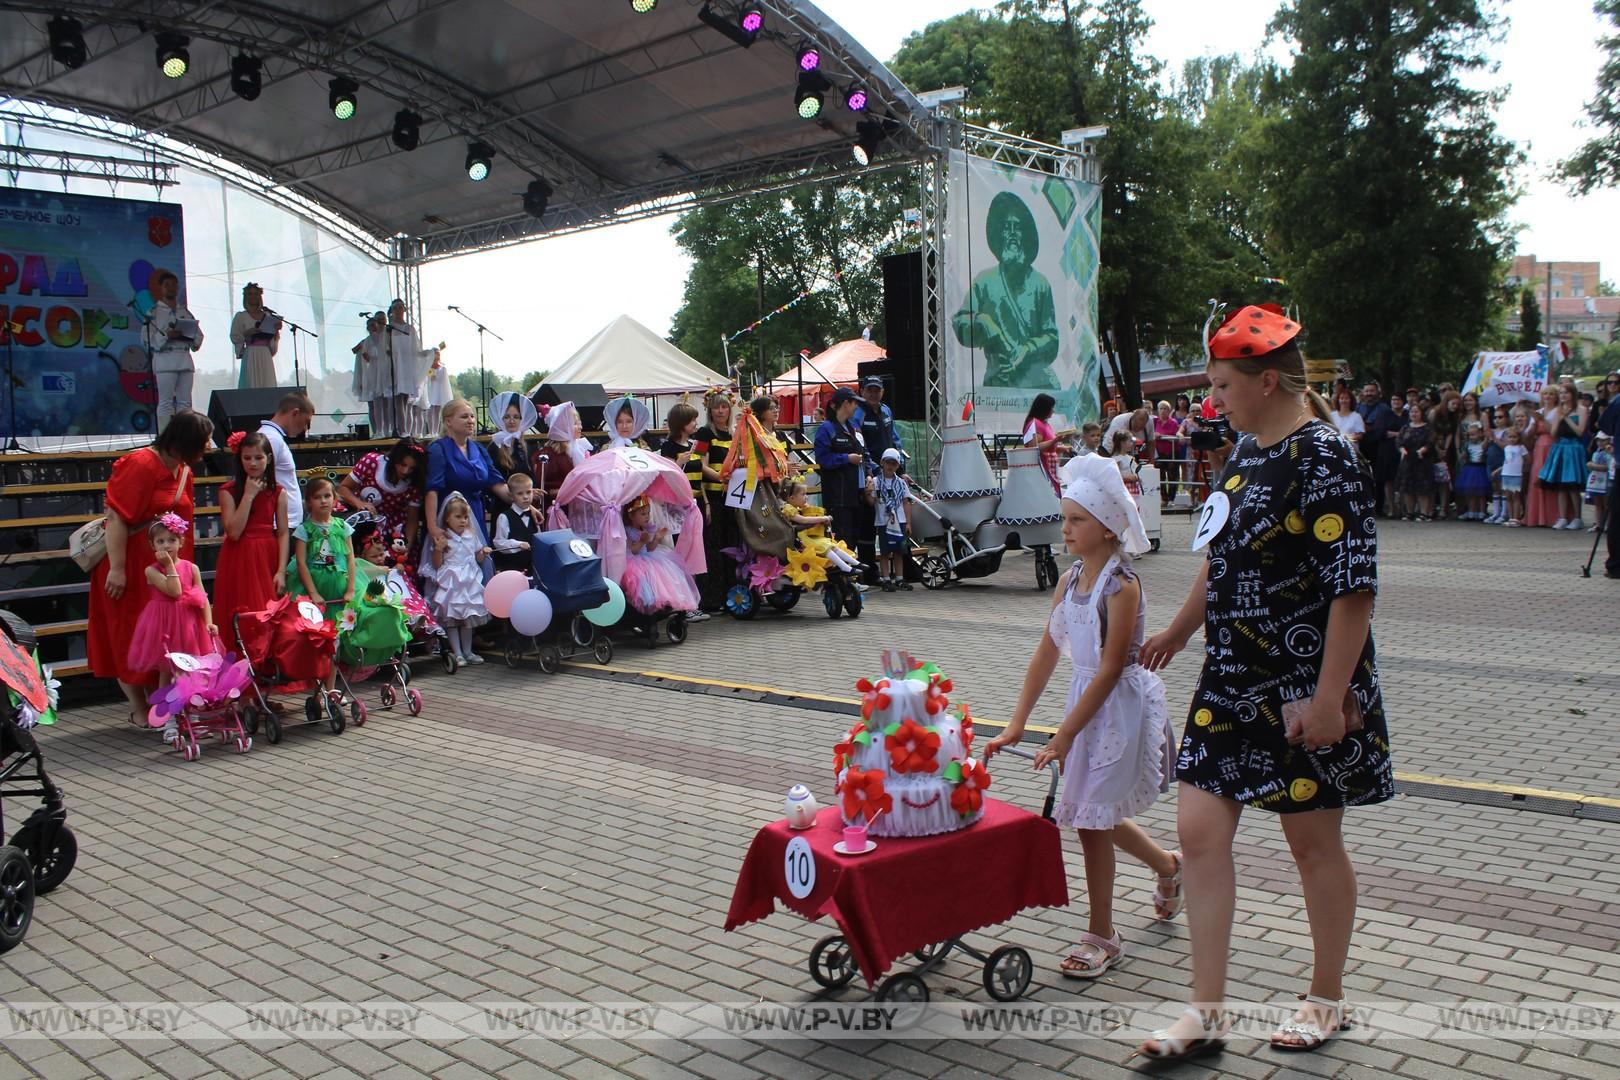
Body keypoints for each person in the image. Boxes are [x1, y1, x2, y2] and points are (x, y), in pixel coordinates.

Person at [1136, 305, 1390, 1061]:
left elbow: (1353, 590)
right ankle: (1205, 1014)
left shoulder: (1326, 457)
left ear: (1268, 380)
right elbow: (1220, 560)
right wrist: (1181, 631)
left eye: (1221, 386)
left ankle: (1325, 998)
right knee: (1198, 832)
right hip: (1231, 678)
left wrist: (1326, 698)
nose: (1212, 401)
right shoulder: (1243, 456)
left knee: (1311, 843)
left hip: (1303, 684)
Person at [984, 452, 1178, 979]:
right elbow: (1047, 652)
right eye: (1065, 518)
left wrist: (1064, 736)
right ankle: (1168, 866)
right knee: (1096, 816)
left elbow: (1112, 669)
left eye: (1076, 521)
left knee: (1092, 821)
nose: (1065, 529)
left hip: (1117, 711)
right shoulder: (1069, 581)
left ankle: (1102, 935)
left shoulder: (1122, 586)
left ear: (1109, 527)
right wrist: (1018, 723)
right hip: (1084, 705)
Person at [88, 411, 212, 726]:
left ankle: (169, 703)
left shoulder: (183, 470)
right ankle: (138, 706)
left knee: (168, 632)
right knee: (129, 632)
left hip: (169, 565)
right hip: (131, 562)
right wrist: (117, 568)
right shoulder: (141, 465)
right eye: (203, 441)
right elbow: (116, 517)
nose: (209, 447)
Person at [950, 191, 1059, 388]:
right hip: (998, 381)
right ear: (1000, 233)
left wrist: (1028, 349)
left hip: (1036, 385)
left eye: (1017, 227)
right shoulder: (984, 281)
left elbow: (1052, 339)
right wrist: (983, 322)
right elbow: (960, 323)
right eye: (1007, 227)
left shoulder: (1041, 284)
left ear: (1024, 234)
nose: (1011, 234)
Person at [126, 514, 215, 744]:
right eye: (161, 541)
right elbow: (174, 591)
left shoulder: (191, 567)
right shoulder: (151, 571)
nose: (167, 545)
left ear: (182, 542)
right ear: (152, 545)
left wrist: (208, 621)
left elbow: (203, 597)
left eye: (172, 540)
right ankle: (169, 720)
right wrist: (168, 566)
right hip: (164, 625)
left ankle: (193, 716)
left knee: (191, 671)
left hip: (188, 624)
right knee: (168, 672)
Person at [213, 430, 290, 633]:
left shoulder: (279, 493)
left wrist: (281, 570)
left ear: (269, 459)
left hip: (267, 553)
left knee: (268, 608)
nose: (253, 463)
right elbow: (234, 532)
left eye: (258, 457)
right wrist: (248, 495)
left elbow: (283, 533)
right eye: (247, 458)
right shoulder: (228, 491)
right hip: (239, 555)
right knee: (241, 607)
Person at [287, 477, 354, 701]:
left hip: (338, 588)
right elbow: (301, 563)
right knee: (316, 640)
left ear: (335, 499)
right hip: (315, 589)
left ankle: (331, 688)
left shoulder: (342, 527)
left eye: (327, 496)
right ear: (308, 502)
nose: (323, 501)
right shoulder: (304, 530)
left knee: (334, 640)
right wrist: (313, 593)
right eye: (317, 497)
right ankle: (317, 689)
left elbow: (350, 559)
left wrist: (350, 588)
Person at [425, 398, 509, 559]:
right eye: (464, 417)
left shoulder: (478, 448)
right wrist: (432, 526)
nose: (471, 421)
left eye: (472, 416)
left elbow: (495, 482)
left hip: (475, 513)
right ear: (448, 421)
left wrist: (524, 503)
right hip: (450, 517)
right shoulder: (438, 449)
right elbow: (432, 491)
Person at [425, 492, 491, 665]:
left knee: (468, 618)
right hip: (452, 582)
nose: (463, 521)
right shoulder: (444, 537)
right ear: (447, 519)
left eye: (465, 517)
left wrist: (483, 553)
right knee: (452, 619)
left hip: (469, 580)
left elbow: (477, 558)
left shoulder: (471, 535)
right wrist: (439, 549)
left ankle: (468, 651)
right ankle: (458, 652)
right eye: (458, 517)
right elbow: (437, 564)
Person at [659, 402, 710, 622]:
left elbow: (700, 477)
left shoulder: (694, 445)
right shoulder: (668, 447)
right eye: (691, 420)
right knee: (680, 554)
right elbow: (667, 479)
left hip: (695, 504)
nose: (695, 424)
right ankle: (683, 605)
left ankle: (693, 602)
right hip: (677, 508)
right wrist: (678, 462)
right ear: (681, 424)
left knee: (695, 554)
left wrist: (706, 503)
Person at [339, 439, 425, 554]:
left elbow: (412, 518)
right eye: (403, 465)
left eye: (412, 468)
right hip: (363, 527)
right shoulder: (371, 462)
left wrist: (407, 546)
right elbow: (342, 488)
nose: (406, 471)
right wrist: (358, 502)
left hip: (394, 533)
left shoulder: (415, 481)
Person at [620, 494, 702, 615]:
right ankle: (644, 611)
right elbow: (632, 550)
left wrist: (656, 539)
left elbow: (650, 548)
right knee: (644, 581)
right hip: (634, 560)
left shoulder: (646, 529)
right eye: (643, 514)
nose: (647, 517)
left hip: (648, 557)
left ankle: (665, 609)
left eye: (648, 513)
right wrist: (641, 541)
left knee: (666, 575)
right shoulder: (628, 530)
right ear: (631, 515)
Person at [694, 393, 738, 612]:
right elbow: (700, 465)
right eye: (716, 407)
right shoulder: (704, 434)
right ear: (710, 411)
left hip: (734, 496)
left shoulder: (734, 434)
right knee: (714, 547)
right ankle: (713, 597)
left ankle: (732, 591)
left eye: (724, 407)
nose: (720, 411)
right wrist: (721, 477)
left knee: (732, 545)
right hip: (714, 496)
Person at [145, 269, 204, 430]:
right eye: (167, 285)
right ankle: (164, 436)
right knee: (165, 401)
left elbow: (198, 335)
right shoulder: (153, 312)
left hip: (184, 358)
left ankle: (183, 435)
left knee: (185, 402)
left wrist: (190, 337)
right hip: (165, 359)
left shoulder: (184, 311)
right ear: (161, 288)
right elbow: (147, 339)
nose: (171, 288)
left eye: (174, 285)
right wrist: (167, 335)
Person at [813, 388, 867, 549]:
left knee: (855, 536)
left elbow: (865, 452)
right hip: (837, 495)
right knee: (841, 538)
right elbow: (822, 459)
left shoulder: (854, 426)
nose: (856, 407)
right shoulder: (826, 429)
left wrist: (869, 474)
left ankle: (852, 571)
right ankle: (841, 573)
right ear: (845, 403)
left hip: (856, 493)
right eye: (854, 402)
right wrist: (847, 458)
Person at [259, 391, 315, 531]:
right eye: (306, 422)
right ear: (295, 413)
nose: (305, 429)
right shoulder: (271, 439)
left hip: (284, 524)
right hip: (279, 525)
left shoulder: (273, 437)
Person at [781, 478, 862, 573]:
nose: (806, 497)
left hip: (804, 536)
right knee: (823, 546)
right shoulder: (788, 508)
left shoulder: (795, 507)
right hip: (798, 539)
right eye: (803, 494)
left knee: (830, 544)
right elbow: (804, 520)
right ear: (792, 498)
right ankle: (845, 568)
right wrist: (823, 518)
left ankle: (855, 563)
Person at [1538, 384, 1590, 529]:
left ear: (1572, 394)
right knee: (1561, 485)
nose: (1563, 396)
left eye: (1566, 393)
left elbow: (1580, 432)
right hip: (1560, 447)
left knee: (1572, 485)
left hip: (1573, 448)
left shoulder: (1581, 410)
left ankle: (1577, 517)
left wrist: (1566, 418)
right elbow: (1553, 432)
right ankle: (1562, 517)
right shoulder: (1558, 410)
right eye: (1561, 393)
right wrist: (1557, 418)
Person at [385, 299, 439, 438]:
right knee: (397, 400)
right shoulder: (388, 328)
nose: (398, 310)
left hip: (407, 367)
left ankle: (406, 431)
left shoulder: (410, 329)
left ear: (405, 309)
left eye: (401, 307)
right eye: (395, 307)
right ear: (392, 311)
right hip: (395, 366)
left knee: (406, 401)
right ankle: (399, 430)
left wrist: (429, 353)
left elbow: (416, 349)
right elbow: (384, 348)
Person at [869, 448, 911, 591]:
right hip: (883, 521)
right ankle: (886, 578)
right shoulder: (876, 481)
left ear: (898, 466)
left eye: (894, 463)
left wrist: (909, 522)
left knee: (899, 551)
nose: (890, 466)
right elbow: (871, 501)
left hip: (900, 520)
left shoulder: (901, 483)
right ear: (882, 463)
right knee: (885, 551)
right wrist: (867, 492)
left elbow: (906, 502)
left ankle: (899, 578)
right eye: (888, 462)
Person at [1356, 383, 1400, 517]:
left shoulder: (1384, 409)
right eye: (1367, 391)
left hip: (1378, 448)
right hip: (1361, 446)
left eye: (1372, 391)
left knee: (1378, 479)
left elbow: (1382, 428)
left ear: (1377, 393)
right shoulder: (1358, 408)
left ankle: (1378, 507)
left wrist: (1370, 428)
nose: (1369, 393)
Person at [491, 472, 545, 575]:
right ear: (511, 495)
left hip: (533, 568)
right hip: (512, 569)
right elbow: (499, 543)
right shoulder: (504, 517)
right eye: (520, 493)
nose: (525, 497)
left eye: (529, 492)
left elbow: (538, 538)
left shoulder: (533, 515)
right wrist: (518, 544)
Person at [229, 282, 280, 389]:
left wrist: (276, 330)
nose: (253, 296)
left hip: (265, 354)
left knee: (267, 383)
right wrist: (246, 334)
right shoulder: (241, 316)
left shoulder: (267, 315)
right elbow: (234, 335)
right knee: (251, 383)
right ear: (246, 296)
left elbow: (273, 339)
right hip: (251, 353)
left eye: (256, 294)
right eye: (250, 294)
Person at [1523, 386, 1560, 527]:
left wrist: (1543, 420)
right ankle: (1537, 517)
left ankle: (1553, 516)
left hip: (1553, 446)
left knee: (1551, 477)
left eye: (1551, 394)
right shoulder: (1537, 412)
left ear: (1556, 397)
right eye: (1545, 394)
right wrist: (1534, 423)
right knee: (1537, 478)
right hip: (1539, 447)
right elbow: (1528, 434)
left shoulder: (1558, 412)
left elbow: (1554, 432)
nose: (1548, 397)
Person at [534, 402, 582, 507]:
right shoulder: (548, 455)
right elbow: (542, 488)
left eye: (579, 423)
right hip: (557, 508)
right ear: (562, 427)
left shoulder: (579, 449)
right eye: (575, 423)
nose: (580, 427)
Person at [1021, 393, 1069, 496]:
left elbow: (1049, 448)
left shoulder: (1045, 424)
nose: (1053, 411)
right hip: (1043, 470)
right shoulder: (1035, 424)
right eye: (1051, 408)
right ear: (1044, 408)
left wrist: (1060, 448)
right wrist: (1055, 440)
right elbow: (1035, 448)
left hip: (1051, 467)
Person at [1397, 402, 1436, 521]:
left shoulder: (1427, 428)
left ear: (1421, 413)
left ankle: (1424, 513)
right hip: (1408, 461)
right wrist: (1402, 449)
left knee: (1422, 489)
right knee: (1408, 488)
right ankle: (1410, 512)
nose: (1414, 414)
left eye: (1416, 411)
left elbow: (1430, 442)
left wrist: (1423, 450)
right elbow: (1399, 441)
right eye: (1412, 411)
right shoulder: (1405, 427)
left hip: (1422, 460)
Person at [854, 377, 904, 467]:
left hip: (889, 468)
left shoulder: (886, 410)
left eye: (877, 391)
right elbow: (857, 447)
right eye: (869, 390)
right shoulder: (856, 414)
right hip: (869, 472)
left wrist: (900, 464)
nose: (873, 394)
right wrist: (873, 469)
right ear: (861, 391)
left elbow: (895, 439)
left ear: (882, 392)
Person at [352, 312, 389, 433]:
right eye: (371, 326)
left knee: (384, 404)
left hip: (382, 375)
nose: (374, 328)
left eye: (375, 325)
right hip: (370, 376)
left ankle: (385, 429)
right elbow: (356, 353)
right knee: (372, 405)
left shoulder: (383, 339)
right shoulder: (366, 341)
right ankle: (376, 430)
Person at [489, 392, 539, 479]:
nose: (512, 421)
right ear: (501, 420)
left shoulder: (524, 447)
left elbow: (531, 476)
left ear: (521, 420)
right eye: (507, 417)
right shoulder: (495, 447)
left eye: (516, 417)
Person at [1454, 421, 1490, 520]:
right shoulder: (1467, 444)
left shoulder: (1483, 444)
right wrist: (1464, 456)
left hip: (1480, 468)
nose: (1471, 437)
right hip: (1470, 468)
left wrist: (1486, 439)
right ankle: (1471, 510)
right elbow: (1464, 456)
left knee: (1481, 492)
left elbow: (1485, 453)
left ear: (1480, 433)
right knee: (1470, 492)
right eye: (1470, 435)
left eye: (1474, 434)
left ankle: (1482, 511)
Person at [1497, 427, 1528, 526]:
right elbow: (1506, 461)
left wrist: (1522, 468)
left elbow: (1528, 459)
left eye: (1514, 437)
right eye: (1510, 437)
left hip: (1516, 475)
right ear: (1506, 438)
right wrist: (1498, 470)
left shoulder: (1521, 447)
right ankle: (1510, 517)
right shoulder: (1506, 448)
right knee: (1508, 496)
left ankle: (1516, 517)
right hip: (1506, 474)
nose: (1512, 439)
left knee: (1516, 497)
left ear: (1518, 437)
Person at [1153, 401, 1182, 505]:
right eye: (1161, 408)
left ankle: (1171, 499)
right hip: (1159, 453)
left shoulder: (1173, 422)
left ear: (1169, 411)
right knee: (1160, 476)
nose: (1163, 411)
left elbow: (1176, 437)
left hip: (1172, 452)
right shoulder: (1155, 422)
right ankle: (1163, 498)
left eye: (1165, 409)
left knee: (1172, 476)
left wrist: (1161, 436)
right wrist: (1155, 434)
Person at [1585, 432, 1612, 532]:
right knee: (1597, 503)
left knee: (1606, 503)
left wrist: (1593, 466)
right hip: (1596, 480)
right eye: (1599, 440)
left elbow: (1607, 467)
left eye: (1603, 440)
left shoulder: (1610, 453)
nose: (1600, 442)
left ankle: (1609, 524)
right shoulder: (1596, 452)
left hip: (1605, 480)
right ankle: (1599, 524)